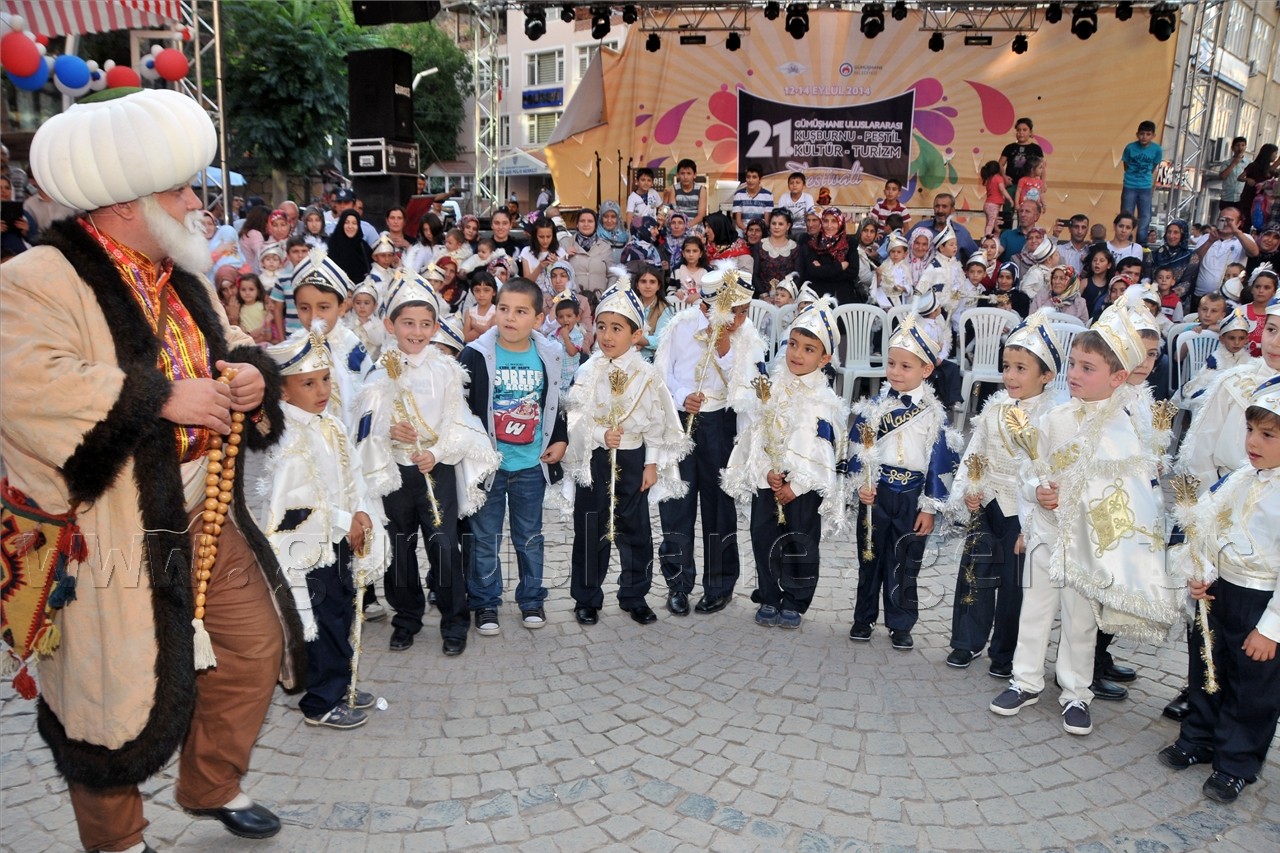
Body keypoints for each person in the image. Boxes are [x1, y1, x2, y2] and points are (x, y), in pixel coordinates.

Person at [2, 87, 302, 850]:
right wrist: (162, 397)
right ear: (125, 205)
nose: (198, 203)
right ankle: (118, 839)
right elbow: (25, 387)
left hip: (204, 512)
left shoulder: (183, 274)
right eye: (180, 190)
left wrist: (251, 376)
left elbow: (228, 345)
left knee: (254, 648)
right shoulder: (36, 277)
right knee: (107, 701)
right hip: (105, 529)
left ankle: (210, 783)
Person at [990, 306, 1178, 736]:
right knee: (1035, 609)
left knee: (1080, 621)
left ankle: (1076, 690)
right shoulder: (1054, 419)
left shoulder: (1125, 430)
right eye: (1072, 364)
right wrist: (1036, 493)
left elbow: (1133, 495)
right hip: (1046, 535)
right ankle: (1025, 680)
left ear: (1117, 377)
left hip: (1089, 546)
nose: (1073, 373)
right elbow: (1029, 470)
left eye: (1087, 368)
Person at [358, 277, 499, 657]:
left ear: (435, 326)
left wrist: (436, 453)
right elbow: (364, 425)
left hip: (436, 470)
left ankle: (455, 621)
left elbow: (458, 423)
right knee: (400, 547)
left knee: (445, 547)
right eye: (408, 323)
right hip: (395, 473)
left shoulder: (446, 371)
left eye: (425, 324)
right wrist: (388, 431)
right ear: (390, 324)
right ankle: (406, 617)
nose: (417, 332)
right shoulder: (378, 371)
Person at [1158, 377, 1280, 803]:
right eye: (1250, 430)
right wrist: (1200, 571)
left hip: (1260, 601)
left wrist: (1271, 629)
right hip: (1218, 590)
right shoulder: (1239, 478)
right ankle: (1200, 736)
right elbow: (1205, 527)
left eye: (1268, 435)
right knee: (1208, 666)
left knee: (1253, 686)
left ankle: (1237, 761)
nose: (1253, 442)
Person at [259, 329, 383, 729]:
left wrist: (361, 511)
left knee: (342, 612)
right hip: (310, 549)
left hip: (340, 540)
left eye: (326, 379)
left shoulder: (330, 425)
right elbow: (297, 504)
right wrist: (348, 521)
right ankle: (320, 702)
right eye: (308, 383)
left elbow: (353, 475)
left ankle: (341, 684)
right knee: (322, 621)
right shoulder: (289, 438)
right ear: (283, 390)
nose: (322, 390)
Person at [563, 279, 688, 626]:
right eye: (602, 326)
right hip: (596, 460)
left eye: (617, 328)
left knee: (636, 531)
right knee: (591, 528)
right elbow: (575, 419)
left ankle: (634, 595)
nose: (607, 336)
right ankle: (587, 597)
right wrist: (600, 434)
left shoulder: (647, 376)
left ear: (635, 335)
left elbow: (658, 422)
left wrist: (651, 464)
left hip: (633, 460)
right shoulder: (587, 371)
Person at [946, 310, 1062, 675]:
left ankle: (1005, 652)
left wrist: (1034, 524)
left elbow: (1051, 473)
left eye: (1021, 369)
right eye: (1007, 367)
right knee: (975, 573)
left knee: (1015, 586)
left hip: (1023, 515)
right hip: (988, 504)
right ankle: (966, 640)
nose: (1010, 376)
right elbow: (976, 451)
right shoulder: (995, 408)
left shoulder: (1052, 419)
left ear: (1047, 375)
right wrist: (971, 488)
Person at [724, 298, 848, 629]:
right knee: (764, 537)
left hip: (802, 490)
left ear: (824, 358)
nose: (797, 354)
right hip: (769, 482)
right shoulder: (769, 388)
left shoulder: (824, 400)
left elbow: (823, 450)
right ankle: (768, 594)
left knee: (800, 542)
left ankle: (794, 598)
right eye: (793, 344)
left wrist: (798, 484)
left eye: (809, 349)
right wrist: (765, 470)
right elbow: (756, 432)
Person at [459, 278, 569, 635]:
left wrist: (560, 438)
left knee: (529, 536)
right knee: (485, 538)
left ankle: (532, 598)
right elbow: (459, 406)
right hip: (488, 466)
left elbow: (555, 400)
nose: (510, 317)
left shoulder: (549, 354)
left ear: (537, 319)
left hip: (530, 465)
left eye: (521, 312)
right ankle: (485, 601)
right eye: (504, 309)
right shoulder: (475, 354)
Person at [654, 265, 764, 616]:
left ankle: (719, 585)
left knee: (719, 506)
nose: (741, 319)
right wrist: (682, 395)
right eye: (735, 312)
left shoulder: (746, 334)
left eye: (745, 311)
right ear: (707, 307)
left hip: (721, 422)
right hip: (682, 421)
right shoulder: (681, 326)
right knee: (677, 502)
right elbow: (661, 375)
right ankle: (677, 583)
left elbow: (749, 385)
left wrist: (725, 348)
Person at [848, 314, 959, 649]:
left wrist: (929, 508)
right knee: (870, 557)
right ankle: (863, 618)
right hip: (877, 493)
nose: (895, 372)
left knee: (906, 562)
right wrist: (861, 485)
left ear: (926, 369)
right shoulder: (873, 409)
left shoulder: (934, 414)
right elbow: (857, 449)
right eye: (891, 363)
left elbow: (939, 462)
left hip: (912, 497)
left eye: (905, 366)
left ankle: (901, 622)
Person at [291, 249, 374, 433]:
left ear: (342, 307)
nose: (314, 316)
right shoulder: (293, 348)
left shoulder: (352, 346)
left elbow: (369, 395)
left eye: (323, 307)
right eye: (304, 308)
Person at [1193, 206, 1260, 305]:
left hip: (1231, 297)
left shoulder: (1244, 238)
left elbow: (1254, 252)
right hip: (1202, 296)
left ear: (1239, 223)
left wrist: (1237, 232)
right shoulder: (1206, 237)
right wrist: (1210, 241)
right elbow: (1194, 259)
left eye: (1230, 220)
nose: (1225, 223)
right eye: (1222, 219)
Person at [798, 207, 861, 304]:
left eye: (834, 221)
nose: (829, 225)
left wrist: (824, 271)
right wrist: (840, 267)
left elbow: (853, 272)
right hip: (819, 298)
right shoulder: (814, 243)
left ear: (840, 222)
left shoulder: (850, 243)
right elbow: (813, 271)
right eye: (826, 221)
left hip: (844, 297)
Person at [553, 207, 617, 296]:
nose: (586, 224)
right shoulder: (566, 243)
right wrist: (564, 256)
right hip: (572, 299)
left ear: (596, 225)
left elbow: (613, 275)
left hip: (599, 299)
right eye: (582, 221)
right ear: (577, 224)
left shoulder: (605, 247)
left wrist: (607, 296)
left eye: (590, 221)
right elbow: (554, 270)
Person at [1120, 121, 1162, 245]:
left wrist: (1145, 177)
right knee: (1127, 213)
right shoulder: (1130, 147)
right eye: (1142, 134)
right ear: (1137, 134)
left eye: (1148, 134)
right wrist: (1132, 176)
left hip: (1145, 186)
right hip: (1130, 184)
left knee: (1145, 215)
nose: (1144, 137)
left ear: (1153, 135)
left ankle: (1142, 242)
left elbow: (1154, 166)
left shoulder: (1157, 149)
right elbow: (1126, 165)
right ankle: (1126, 239)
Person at [753, 208, 801, 296]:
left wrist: (786, 295)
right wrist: (764, 295)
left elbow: (797, 276)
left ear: (788, 226)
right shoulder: (759, 246)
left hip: (787, 298)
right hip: (763, 298)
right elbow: (755, 275)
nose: (776, 227)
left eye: (781, 224)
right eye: (773, 223)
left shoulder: (795, 248)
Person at [1238, 143, 1279, 226]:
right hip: (1249, 198)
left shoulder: (1271, 169)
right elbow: (1240, 177)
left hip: (1263, 201)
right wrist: (1247, 179)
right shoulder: (1254, 165)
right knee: (1246, 222)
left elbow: (1271, 171)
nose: (1276, 156)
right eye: (1275, 153)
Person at [327, 210, 372, 286]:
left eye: (354, 223)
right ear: (341, 224)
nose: (350, 226)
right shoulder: (331, 244)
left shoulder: (363, 246)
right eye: (346, 222)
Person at [702, 211, 753, 277]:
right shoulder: (706, 248)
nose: (706, 231)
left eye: (709, 227)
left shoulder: (741, 251)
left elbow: (746, 277)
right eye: (705, 227)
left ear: (719, 227)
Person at [1244, 266, 1278, 357]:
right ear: (1252, 289)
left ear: (1274, 292)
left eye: (1267, 288)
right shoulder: (1240, 312)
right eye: (1257, 286)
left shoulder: (1277, 314)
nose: (1261, 291)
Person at [874, 230, 912, 309]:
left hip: (899, 298)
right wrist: (879, 275)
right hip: (884, 298)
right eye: (893, 252)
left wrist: (903, 288)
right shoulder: (884, 266)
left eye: (899, 252)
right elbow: (877, 285)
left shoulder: (905, 268)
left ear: (905, 254)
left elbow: (909, 284)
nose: (895, 254)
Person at [732, 163, 774, 234]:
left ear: (760, 179)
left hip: (760, 230)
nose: (750, 180)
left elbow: (767, 222)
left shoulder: (768, 195)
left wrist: (757, 231)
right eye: (748, 177)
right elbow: (738, 221)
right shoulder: (738, 194)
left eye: (754, 177)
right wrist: (746, 230)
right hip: (743, 229)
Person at [665, 158, 707, 227]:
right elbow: (673, 212)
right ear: (678, 175)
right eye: (682, 173)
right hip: (678, 225)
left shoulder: (701, 190)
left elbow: (701, 215)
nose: (685, 177)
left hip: (695, 225)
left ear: (694, 175)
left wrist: (687, 226)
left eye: (689, 173)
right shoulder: (674, 189)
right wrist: (680, 226)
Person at [673, 235, 709, 305]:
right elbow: (670, 290)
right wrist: (676, 293)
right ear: (683, 254)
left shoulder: (707, 272)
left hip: (701, 307)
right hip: (680, 307)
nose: (691, 254)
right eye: (688, 251)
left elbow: (713, 292)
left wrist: (699, 295)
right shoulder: (677, 270)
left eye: (695, 251)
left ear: (700, 254)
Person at [236, 272, 272, 343]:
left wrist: (260, 329)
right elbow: (240, 324)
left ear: (258, 291)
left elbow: (269, 321)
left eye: (251, 289)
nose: (247, 293)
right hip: (247, 340)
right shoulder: (239, 308)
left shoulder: (263, 306)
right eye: (243, 290)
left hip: (263, 340)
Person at [1216, 136, 1249, 212]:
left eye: (1243, 145)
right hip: (1227, 198)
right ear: (1232, 148)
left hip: (1241, 198)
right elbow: (1222, 176)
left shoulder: (1249, 163)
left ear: (1245, 147)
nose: (1240, 148)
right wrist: (1234, 163)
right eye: (1237, 145)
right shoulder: (1226, 163)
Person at [980, 161, 1012, 237]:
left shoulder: (989, 180)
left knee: (990, 223)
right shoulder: (998, 178)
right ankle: (987, 237)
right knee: (991, 223)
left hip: (987, 204)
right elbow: (1002, 189)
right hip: (993, 205)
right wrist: (1009, 199)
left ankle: (991, 236)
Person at [464, 271, 498, 343]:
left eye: (486, 290)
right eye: (477, 290)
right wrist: (486, 328)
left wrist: (475, 325)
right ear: (472, 292)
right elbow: (466, 338)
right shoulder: (469, 312)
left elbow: (493, 335)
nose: (481, 294)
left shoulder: (497, 311)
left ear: (494, 292)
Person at [781, 171, 816, 236]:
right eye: (791, 183)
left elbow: (810, 215)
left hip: (804, 229)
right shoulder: (784, 197)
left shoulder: (808, 197)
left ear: (804, 185)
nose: (794, 185)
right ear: (788, 186)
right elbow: (781, 216)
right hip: (788, 230)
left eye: (797, 182)